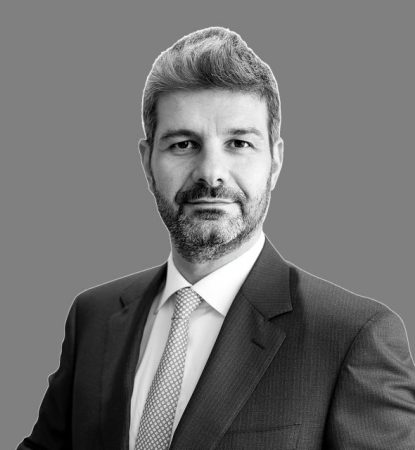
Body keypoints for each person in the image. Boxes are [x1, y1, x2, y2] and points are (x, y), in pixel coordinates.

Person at [18, 26, 415, 450]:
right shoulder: (93, 317)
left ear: (275, 161)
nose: (211, 173)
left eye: (239, 143)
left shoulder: (353, 337)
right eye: (183, 144)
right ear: (147, 163)